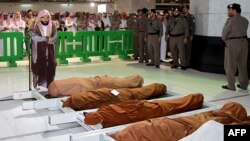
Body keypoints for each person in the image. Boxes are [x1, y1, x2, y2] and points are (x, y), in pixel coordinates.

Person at [222, 3, 249, 91]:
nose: (228, 12)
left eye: (229, 10)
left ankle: (231, 85)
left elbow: (224, 34)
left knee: (230, 65)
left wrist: (226, 41)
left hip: (232, 43)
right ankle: (244, 84)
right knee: (242, 65)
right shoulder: (245, 20)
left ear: (234, 10)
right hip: (244, 43)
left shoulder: (230, 20)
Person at [31, 9, 57, 91]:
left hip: (50, 50)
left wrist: (51, 40)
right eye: (43, 17)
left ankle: (49, 85)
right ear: (40, 17)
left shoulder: (52, 25)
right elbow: (33, 36)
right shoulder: (36, 25)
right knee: (40, 66)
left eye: (47, 17)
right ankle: (40, 85)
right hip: (39, 51)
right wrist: (43, 39)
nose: (45, 19)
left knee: (50, 66)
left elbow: (55, 36)